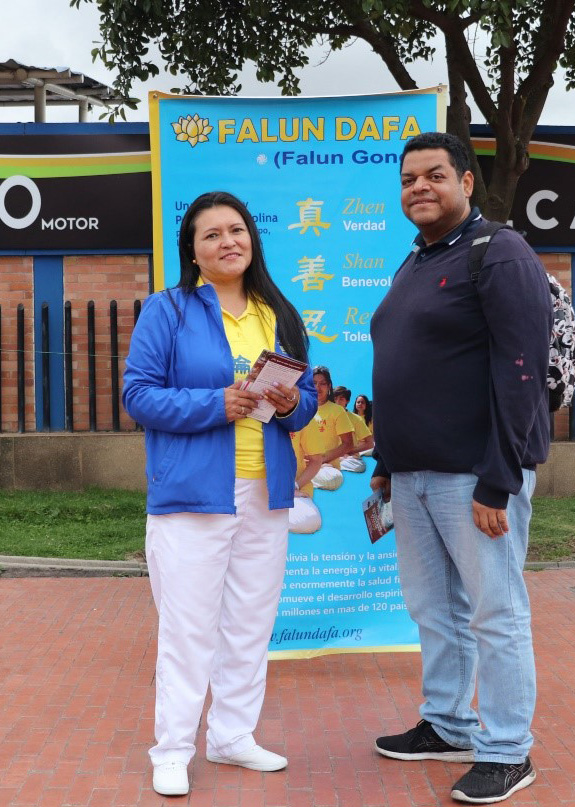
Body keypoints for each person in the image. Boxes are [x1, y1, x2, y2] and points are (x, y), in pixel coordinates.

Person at [369, 132, 551, 805]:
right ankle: (448, 724)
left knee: (494, 613)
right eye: (408, 178)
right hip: (413, 475)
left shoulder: (498, 252)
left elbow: (523, 372)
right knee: (435, 610)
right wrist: (387, 463)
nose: (419, 187)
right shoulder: (416, 261)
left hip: (476, 478)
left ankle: (507, 750)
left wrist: (499, 479)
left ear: (466, 182)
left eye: (434, 175)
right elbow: (408, 369)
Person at [122, 190, 317, 797]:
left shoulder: (279, 312)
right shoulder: (168, 311)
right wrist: (216, 403)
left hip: (266, 491)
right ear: (192, 251)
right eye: (211, 234)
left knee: (250, 624)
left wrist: (291, 402)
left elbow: (308, 401)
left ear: (252, 239)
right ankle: (173, 749)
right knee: (188, 630)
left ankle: (232, 736)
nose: (227, 241)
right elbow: (138, 395)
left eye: (236, 230)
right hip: (193, 494)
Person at [299, 366, 355, 489]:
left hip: (326, 468)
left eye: (322, 384)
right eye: (314, 383)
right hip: (300, 464)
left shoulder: (337, 410)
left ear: (329, 386)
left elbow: (348, 444)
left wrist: (321, 460)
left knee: (332, 479)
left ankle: (299, 483)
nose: (317, 388)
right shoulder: (300, 408)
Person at [288, 429, 323, 534]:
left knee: (310, 520)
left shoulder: (304, 421)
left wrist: (294, 486)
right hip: (258, 487)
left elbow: (316, 460)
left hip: (294, 491)